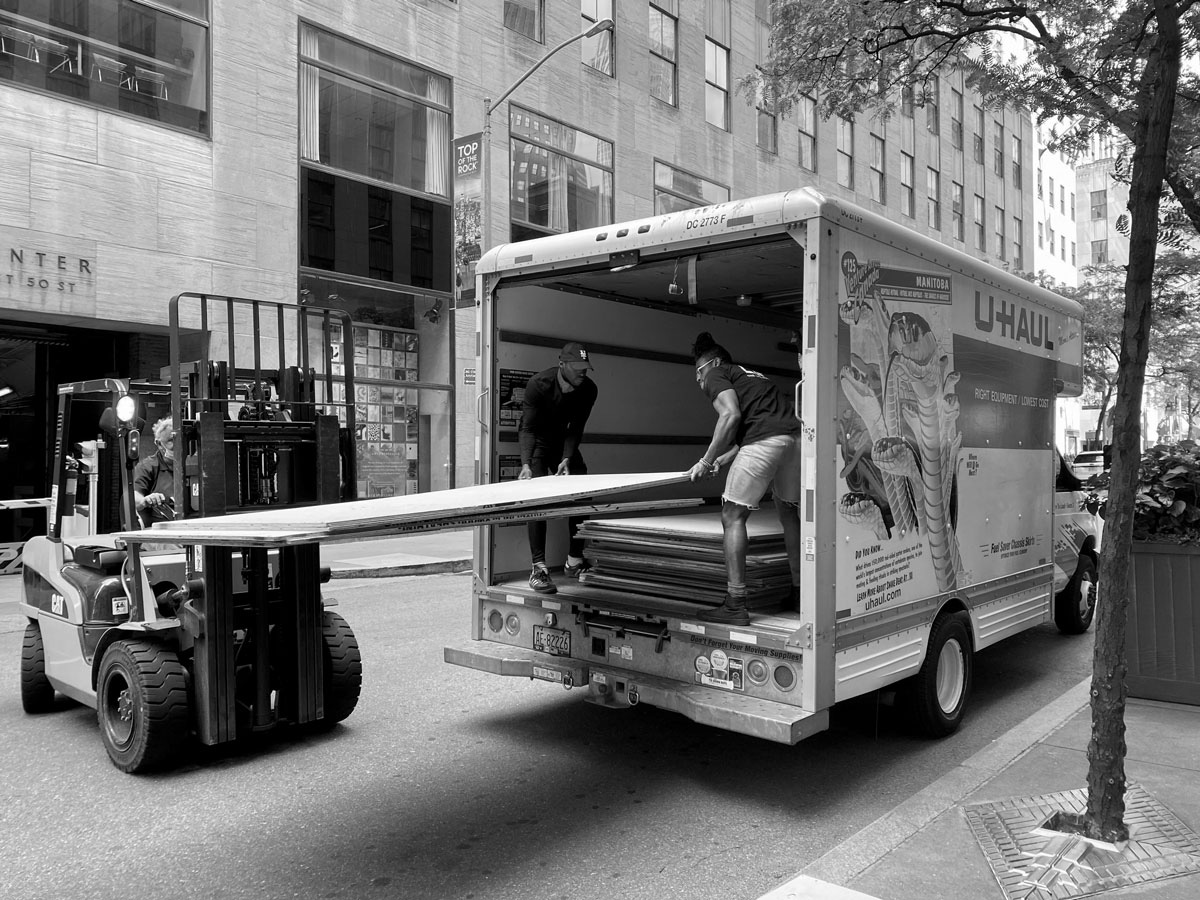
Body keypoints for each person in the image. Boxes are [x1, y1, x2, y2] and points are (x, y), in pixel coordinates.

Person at [688, 332, 803, 625]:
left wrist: (706, 459)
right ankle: (800, 592)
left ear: (714, 363)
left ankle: (736, 602)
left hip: (766, 442)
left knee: (732, 516)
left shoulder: (717, 374)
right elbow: (762, 423)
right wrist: (725, 459)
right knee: (789, 512)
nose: (699, 381)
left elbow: (731, 416)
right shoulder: (753, 375)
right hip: (793, 441)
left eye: (699, 372)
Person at [518, 341, 599, 594]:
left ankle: (574, 561)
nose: (582, 373)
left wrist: (566, 458)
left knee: (582, 494)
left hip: (563, 442)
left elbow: (576, 428)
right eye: (577, 368)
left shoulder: (589, 389)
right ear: (562, 364)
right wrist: (526, 464)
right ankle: (539, 568)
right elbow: (528, 428)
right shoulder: (539, 384)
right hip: (539, 442)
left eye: (585, 368)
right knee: (537, 500)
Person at [133, 417, 178, 527]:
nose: (178, 445)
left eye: (180, 440)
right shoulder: (147, 467)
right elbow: (134, 498)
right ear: (158, 444)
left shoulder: (197, 463)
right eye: (171, 441)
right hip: (161, 532)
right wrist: (146, 500)